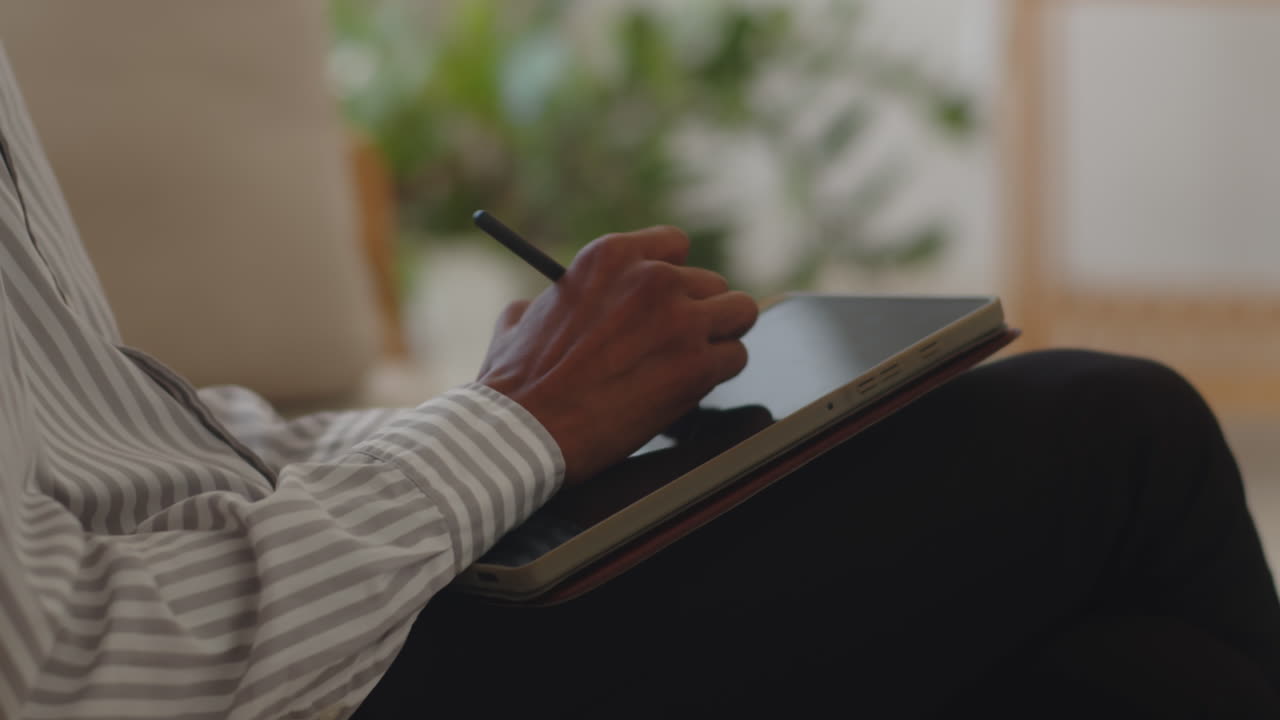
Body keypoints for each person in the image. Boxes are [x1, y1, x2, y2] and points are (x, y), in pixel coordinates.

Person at [0, 44, 1277, 720]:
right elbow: (60, 676)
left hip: (303, 606)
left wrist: (501, 412)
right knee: (1116, 431)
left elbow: (113, 455)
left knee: (1123, 678)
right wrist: (514, 428)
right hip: (304, 682)